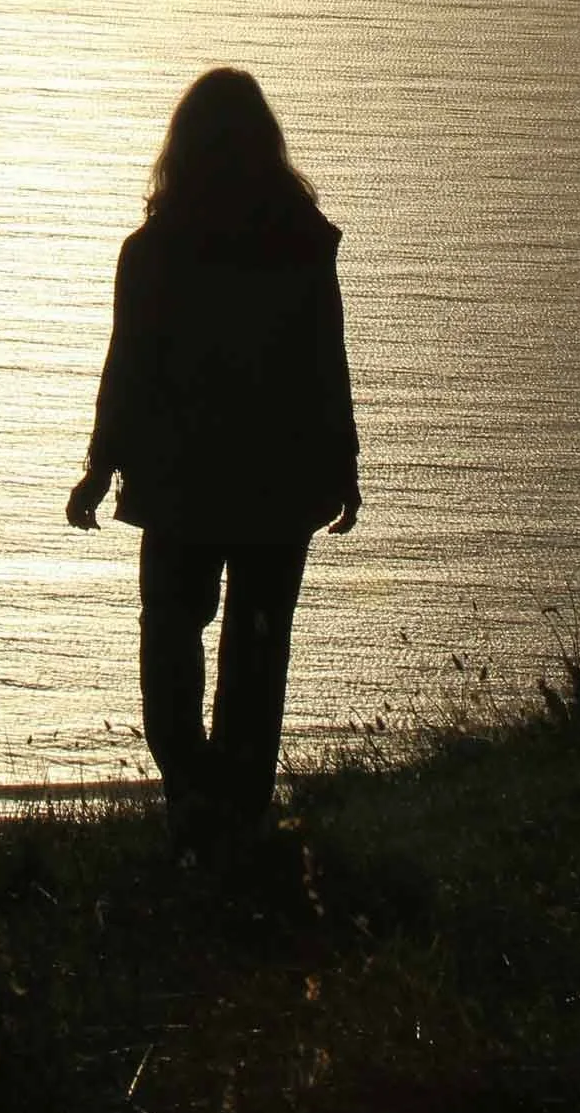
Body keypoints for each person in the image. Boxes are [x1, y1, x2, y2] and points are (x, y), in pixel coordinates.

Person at [66, 67, 361, 855]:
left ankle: (196, 793)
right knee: (258, 645)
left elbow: (126, 368)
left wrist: (101, 466)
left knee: (170, 634)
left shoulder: (155, 251)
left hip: (180, 482)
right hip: (278, 480)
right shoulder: (302, 244)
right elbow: (324, 365)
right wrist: (344, 465)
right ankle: (235, 806)